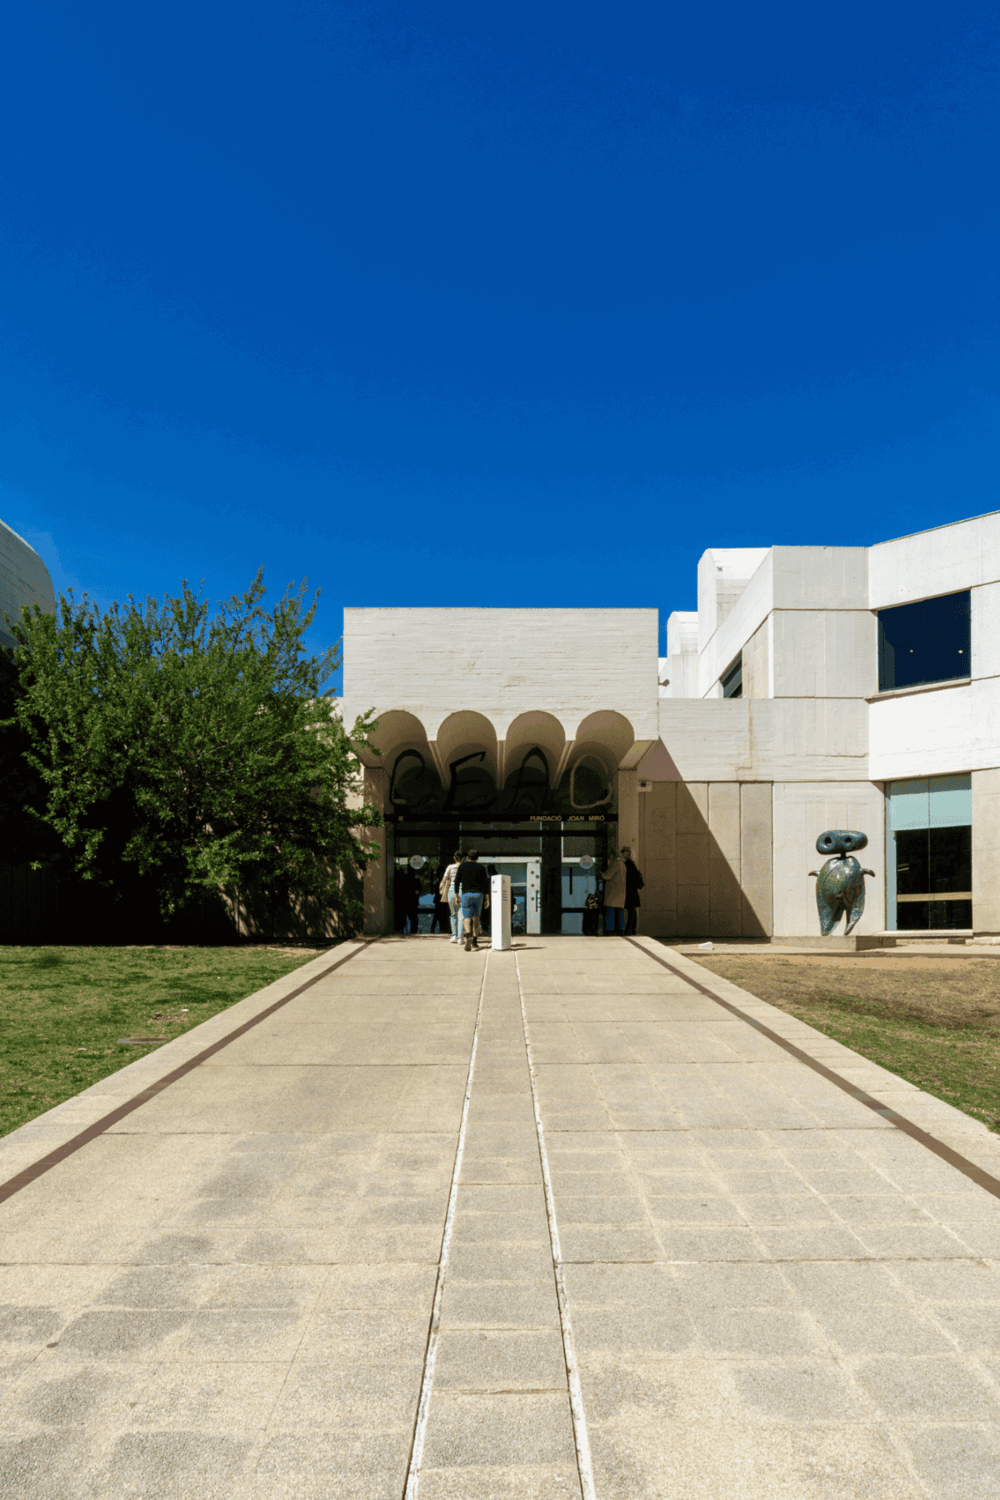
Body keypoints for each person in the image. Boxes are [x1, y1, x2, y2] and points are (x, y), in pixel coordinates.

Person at [455, 849, 490, 951]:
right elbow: (485, 884)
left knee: (467, 918)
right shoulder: (481, 868)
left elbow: (457, 881)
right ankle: (475, 941)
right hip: (478, 895)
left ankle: (468, 935)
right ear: (477, 858)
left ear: (467, 857)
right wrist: (487, 899)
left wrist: (457, 896)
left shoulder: (462, 866)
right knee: (476, 918)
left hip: (466, 895)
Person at [600, 847, 627, 935]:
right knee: (620, 912)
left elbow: (607, 876)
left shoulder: (615, 864)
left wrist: (602, 874)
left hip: (613, 893)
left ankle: (609, 929)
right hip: (621, 892)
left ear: (612, 856)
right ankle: (620, 929)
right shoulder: (623, 865)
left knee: (610, 911)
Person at [439, 849, 462, 943]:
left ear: (454, 858)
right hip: (462, 890)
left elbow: (443, 881)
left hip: (452, 890)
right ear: (463, 858)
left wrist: (441, 888)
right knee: (461, 914)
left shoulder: (450, 867)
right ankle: (461, 937)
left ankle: (454, 935)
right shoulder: (464, 867)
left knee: (453, 914)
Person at [622, 846, 645, 936]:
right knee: (632, 910)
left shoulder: (628, 864)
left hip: (630, 890)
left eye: (623, 851)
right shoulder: (631, 863)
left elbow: (630, 878)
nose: (622, 853)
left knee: (631, 910)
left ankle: (629, 929)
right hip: (632, 890)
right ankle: (632, 928)